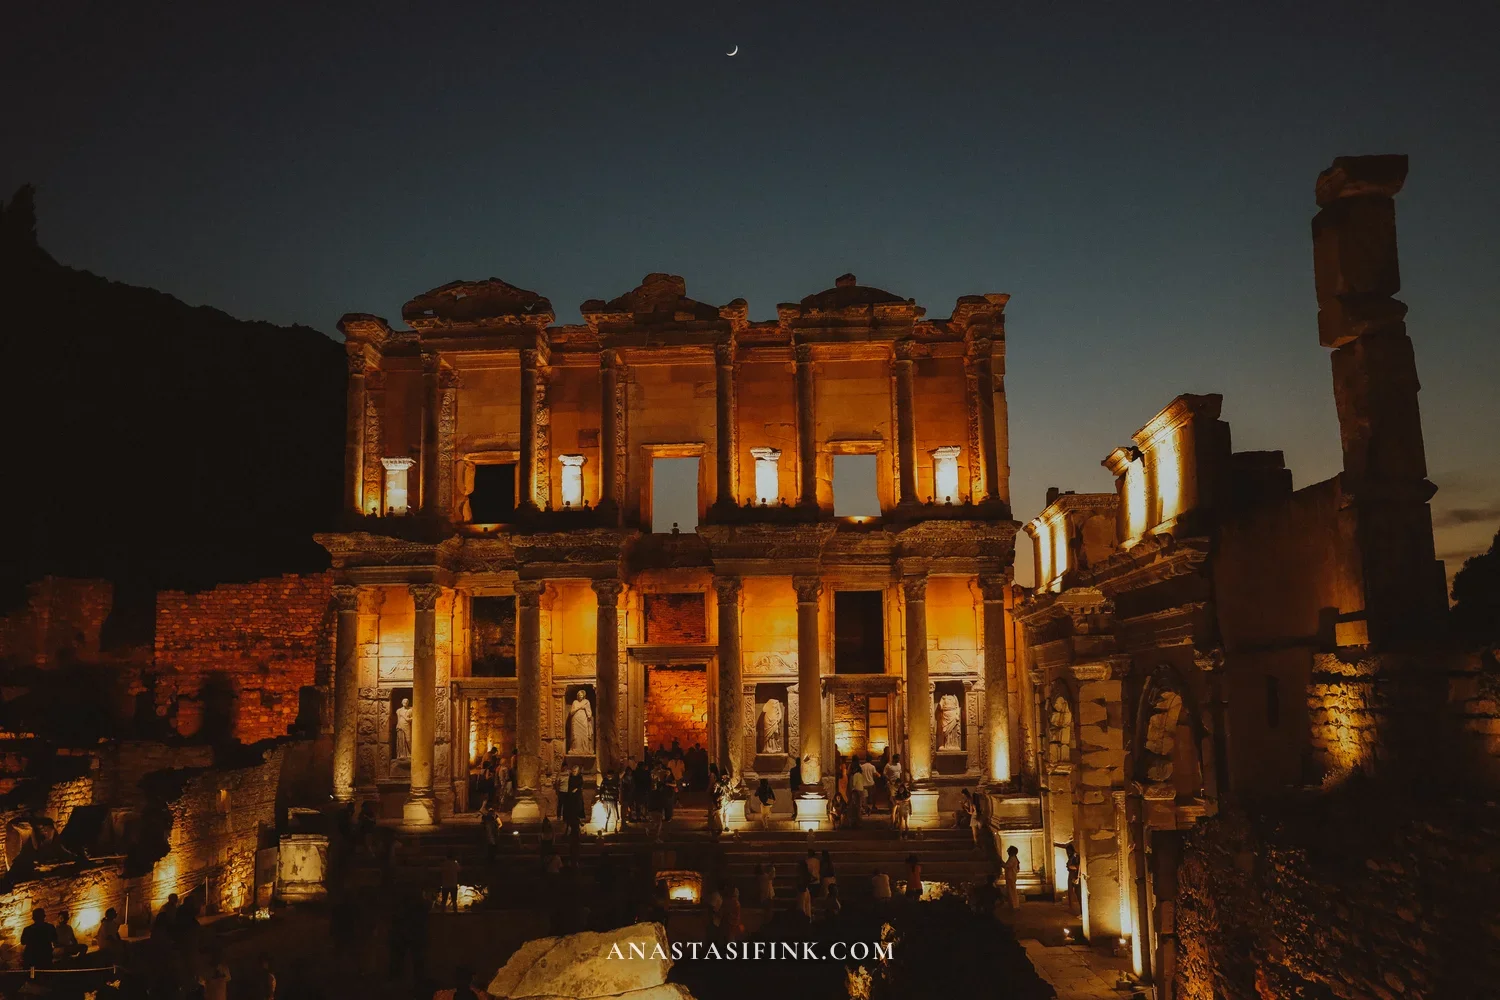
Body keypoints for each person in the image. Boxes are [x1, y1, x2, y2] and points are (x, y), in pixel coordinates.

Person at [1003, 845, 1023, 909]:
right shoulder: (1013, 858)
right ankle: (1014, 904)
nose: (1007, 851)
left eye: (1008, 850)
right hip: (1011, 876)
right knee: (1012, 891)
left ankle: (1014, 905)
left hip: (1010, 876)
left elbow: (1007, 866)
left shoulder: (1012, 858)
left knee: (1011, 891)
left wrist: (1000, 863)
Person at [848, 763, 867, 828]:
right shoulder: (861, 775)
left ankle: (857, 821)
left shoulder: (855, 775)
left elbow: (854, 784)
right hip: (861, 790)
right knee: (859, 806)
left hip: (856, 791)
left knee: (855, 807)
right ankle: (859, 821)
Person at [788, 756, 804, 821]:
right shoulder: (802, 770)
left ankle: (796, 812)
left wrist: (792, 788)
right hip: (800, 788)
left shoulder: (792, 770)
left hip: (794, 788)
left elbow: (791, 780)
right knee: (801, 800)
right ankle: (800, 812)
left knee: (794, 801)